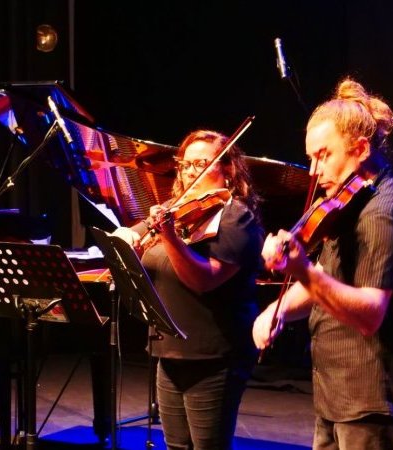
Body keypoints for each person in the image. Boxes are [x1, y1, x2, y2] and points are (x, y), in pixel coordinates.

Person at [253, 78, 393, 450]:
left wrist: (301, 269)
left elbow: (370, 313)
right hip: (338, 391)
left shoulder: (383, 213)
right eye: (310, 158)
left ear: (360, 148)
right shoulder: (346, 206)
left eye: (323, 155)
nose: (313, 171)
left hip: (370, 398)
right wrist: (279, 310)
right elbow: (327, 282)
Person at [111, 130, 265, 450]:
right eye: (185, 164)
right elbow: (132, 236)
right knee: (176, 446)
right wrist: (126, 237)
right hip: (171, 353)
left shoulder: (237, 219)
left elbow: (202, 280)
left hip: (213, 356)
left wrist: (168, 236)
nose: (190, 172)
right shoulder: (174, 209)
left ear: (227, 169)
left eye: (201, 164)